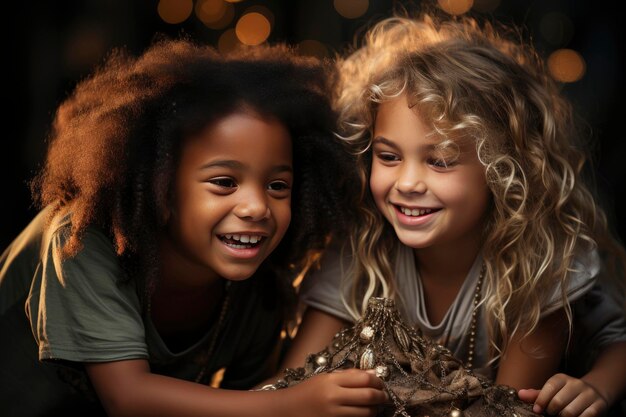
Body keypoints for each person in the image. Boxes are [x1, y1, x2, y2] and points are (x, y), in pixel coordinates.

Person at [0, 38, 388, 417]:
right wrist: (290, 403)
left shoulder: (259, 288)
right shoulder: (82, 240)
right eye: (224, 182)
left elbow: (245, 401)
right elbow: (128, 397)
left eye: (277, 186)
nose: (256, 207)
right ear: (160, 185)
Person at [280, 12, 626, 417]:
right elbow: (289, 385)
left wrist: (599, 388)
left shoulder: (534, 262)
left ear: (503, 169)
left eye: (440, 160)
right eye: (388, 156)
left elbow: (506, 407)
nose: (407, 182)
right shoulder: (360, 249)